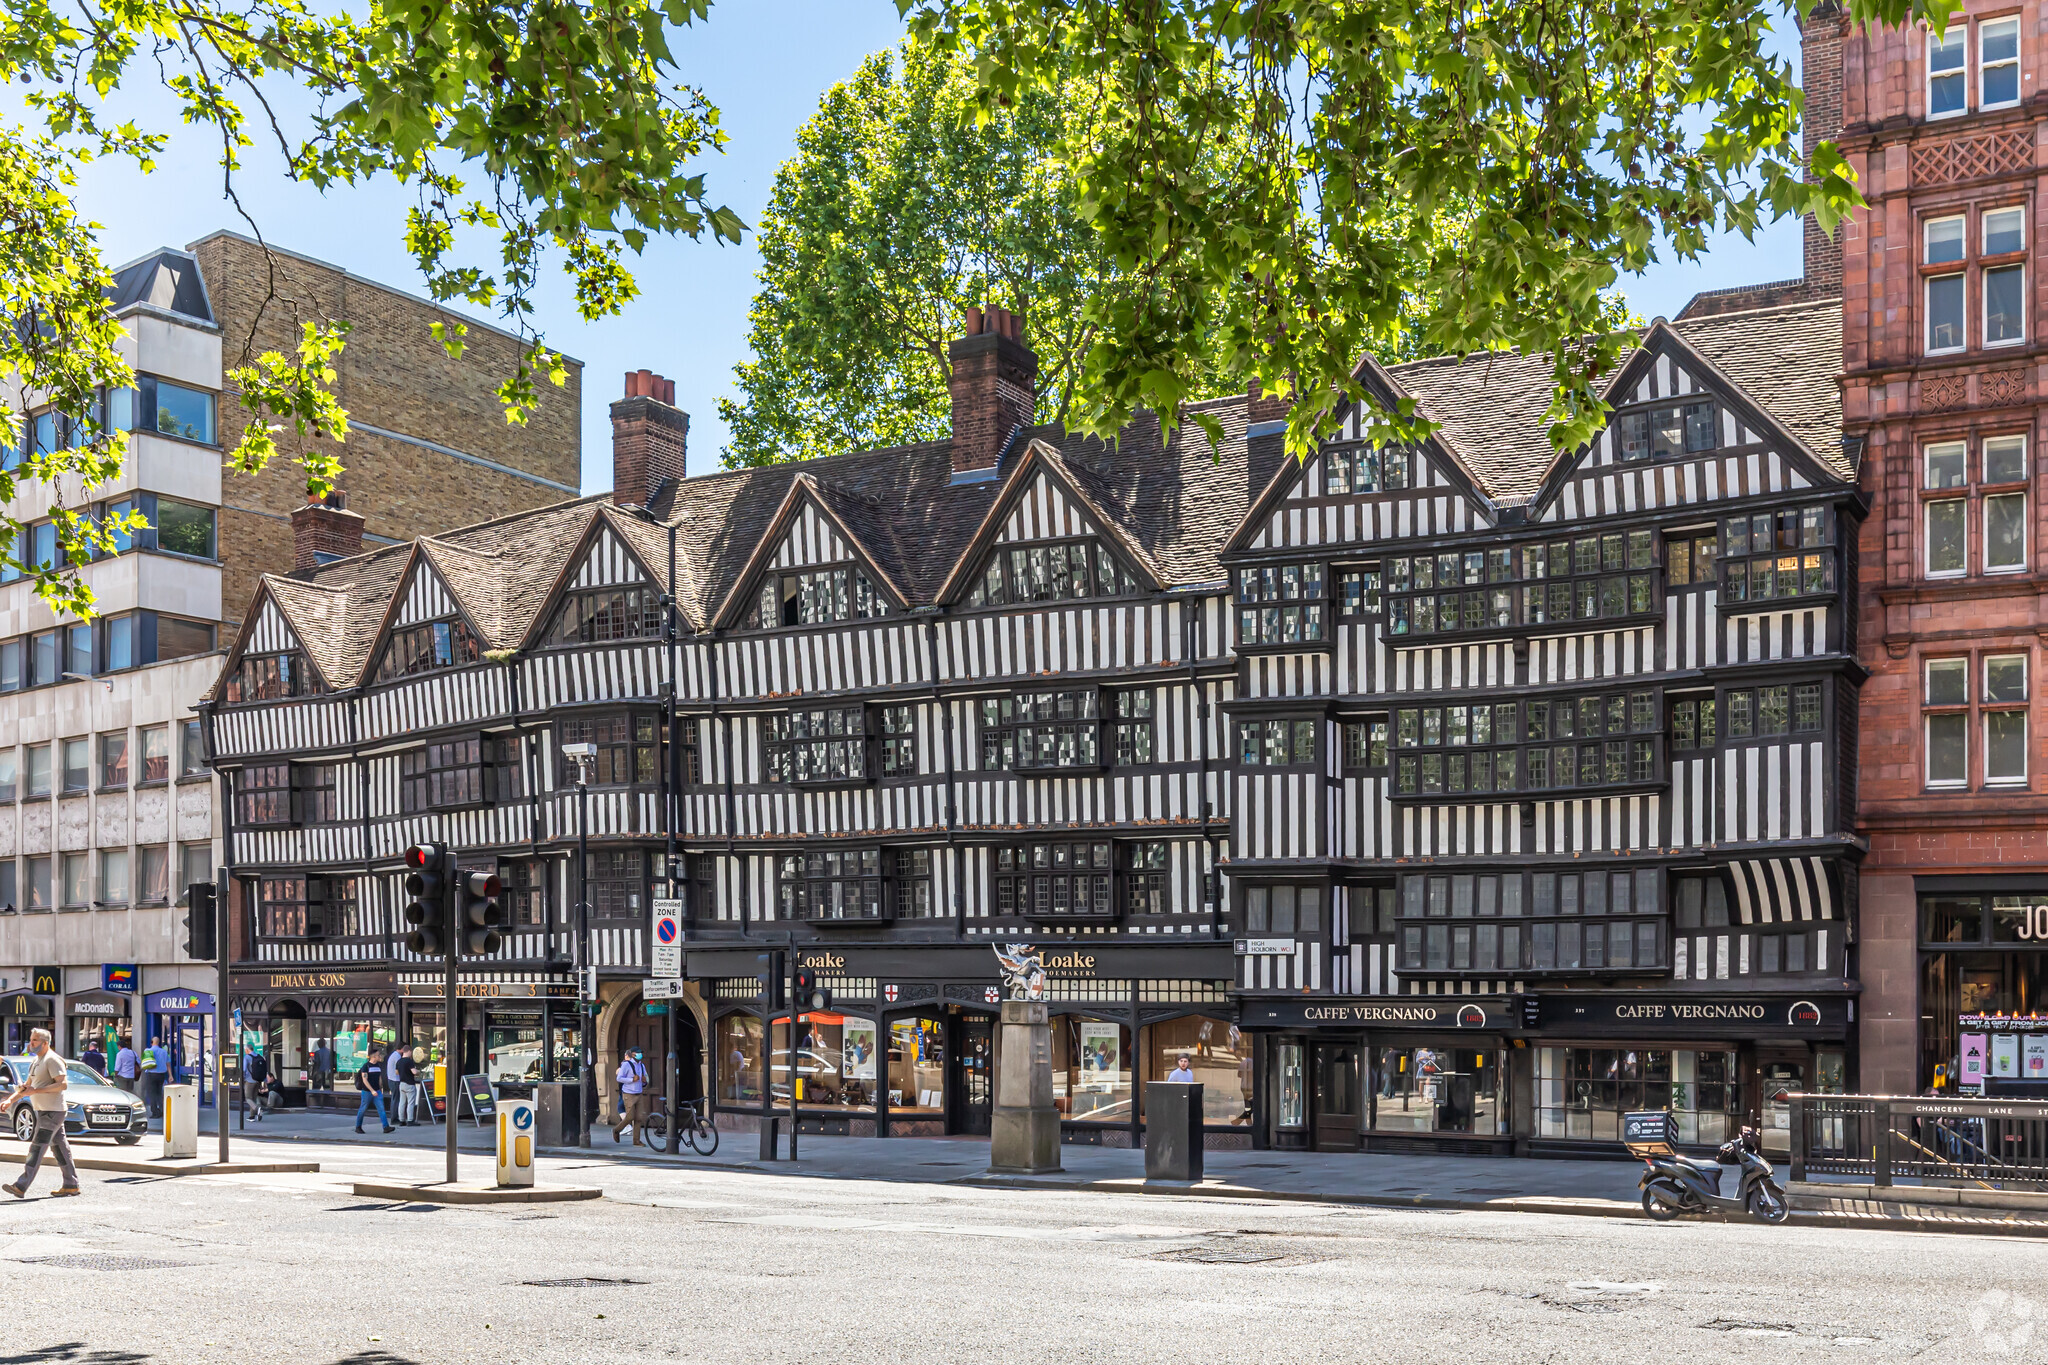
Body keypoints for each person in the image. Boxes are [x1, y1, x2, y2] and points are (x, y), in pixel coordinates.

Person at [2, 1028, 81, 1198]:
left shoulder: (52, 1060)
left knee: (37, 1147)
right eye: (31, 1039)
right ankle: (71, 1184)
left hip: (53, 1112)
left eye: (35, 1040)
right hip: (44, 1111)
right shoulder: (37, 1061)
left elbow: (62, 1085)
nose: (31, 1043)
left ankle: (21, 1186)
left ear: (46, 1043)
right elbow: (26, 1088)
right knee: (60, 1148)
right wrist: (10, 1100)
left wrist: (37, 1091)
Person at [612, 1049, 650, 1143]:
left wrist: (645, 1082)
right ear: (633, 1054)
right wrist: (631, 1079)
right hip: (629, 1093)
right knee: (630, 1116)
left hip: (639, 1093)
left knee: (638, 1118)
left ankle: (636, 1140)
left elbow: (645, 1078)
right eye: (638, 1053)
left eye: (641, 1053)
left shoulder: (641, 1065)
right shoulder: (626, 1064)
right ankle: (616, 1130)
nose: (640, 1055)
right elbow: (619, 1078)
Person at [354, 1049, 393, 1134]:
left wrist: (380, 1087)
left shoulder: (378, 1066)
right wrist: (372, 1090)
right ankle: (358, 1126)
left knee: (381, 1109)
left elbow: (379, 1078)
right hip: (367, 1092)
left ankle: (386, 1127)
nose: (380, 1057)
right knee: (363, 1109)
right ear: (373, 1057)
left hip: (377, 1091)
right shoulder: (366, 1066)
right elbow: (365, 1080)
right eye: (378, 1055)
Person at [394, 1047, 420, 1126]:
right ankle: (410, 1120)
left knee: (402, 1102)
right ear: (408, 1051)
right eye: (411, 1052)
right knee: (410, 1103)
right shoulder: (409, 1061)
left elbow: (396, 1072)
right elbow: (414, 1072)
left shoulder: (399, 1061)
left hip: (401, 1083)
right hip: (409, 1083)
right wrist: (419, 1071)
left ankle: (401, 1120)